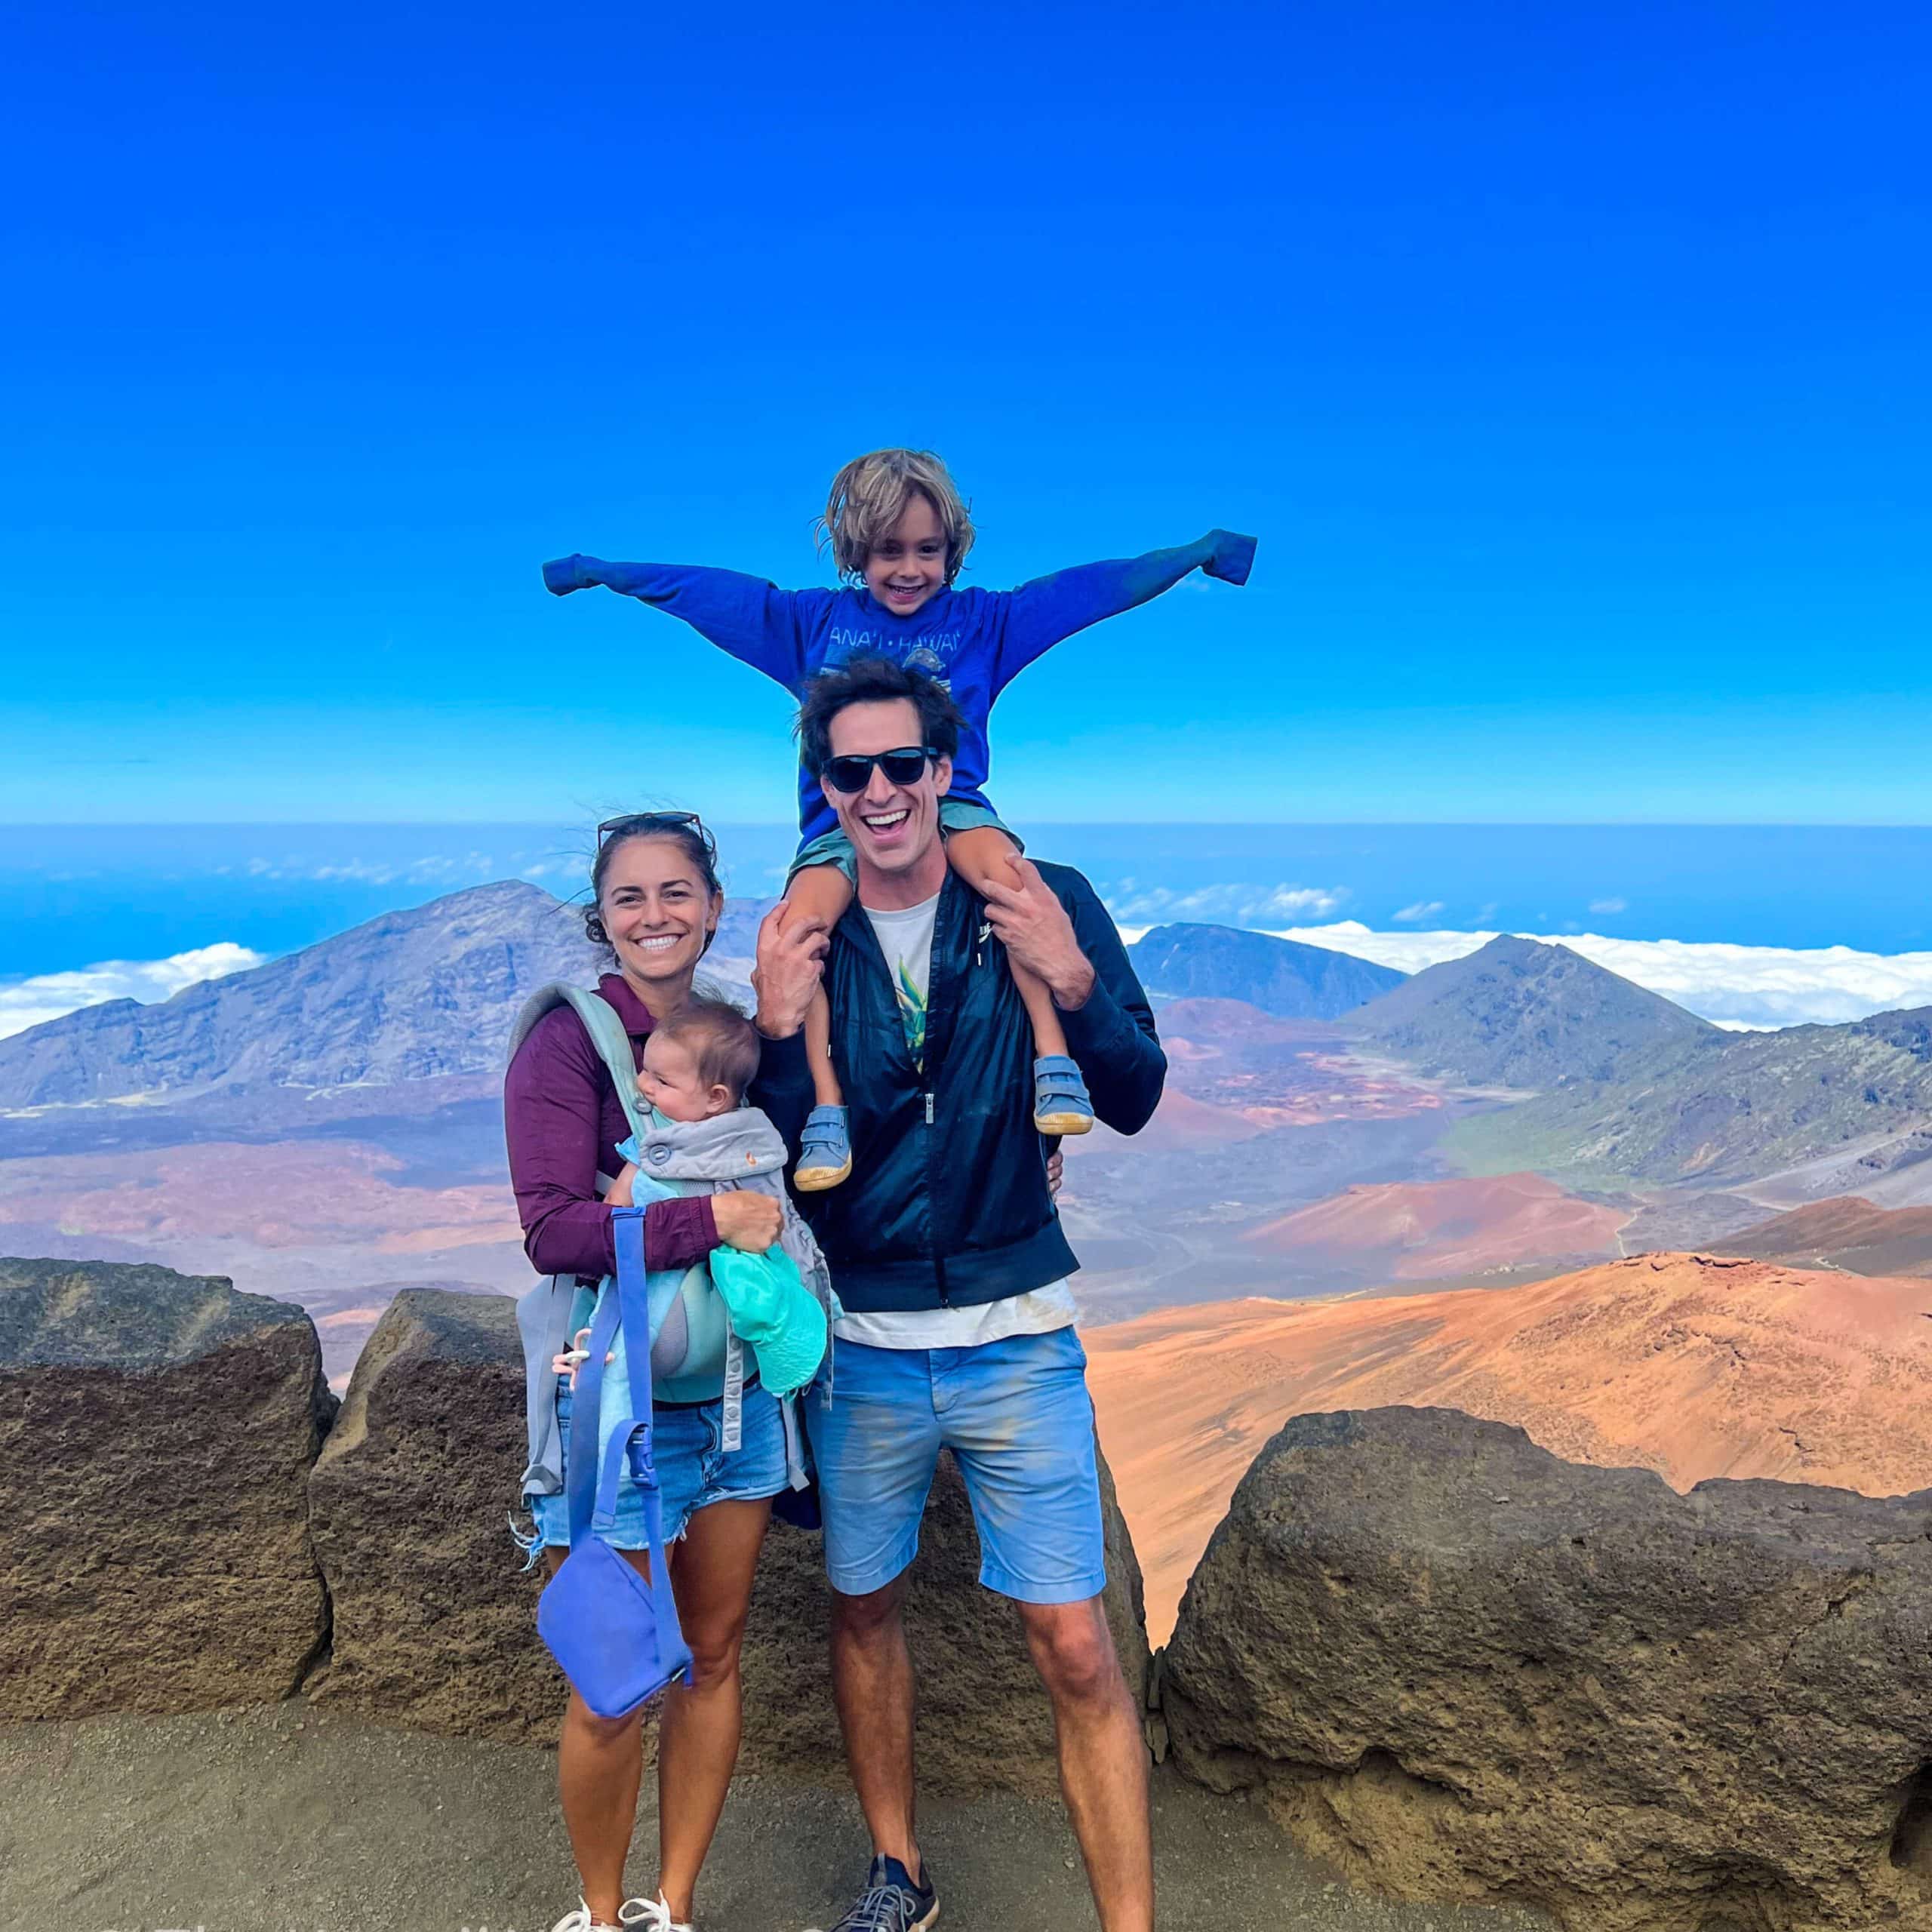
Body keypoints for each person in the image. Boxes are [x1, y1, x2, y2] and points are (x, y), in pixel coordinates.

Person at [746, 659, 1168, 1932]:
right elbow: (774, 1147)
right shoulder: (805, 931)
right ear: (824, 789)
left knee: (1079, 1647)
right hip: (860, 1345)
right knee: (862, 1609)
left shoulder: (1044, 900)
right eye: (850, 771)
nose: (881, 792)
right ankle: (899, 1871)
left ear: (946, 771)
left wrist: (1080, 986)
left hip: (1017, 1334)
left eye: (903, 766)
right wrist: (773, 1035)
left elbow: (1137, 1093)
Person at [544, 447, 1253, 1192]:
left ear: (953, 551)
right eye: (888, 551)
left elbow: (1090, 590)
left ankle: (1053, 1064)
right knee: (797, 935)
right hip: (835, 826)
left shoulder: (988, 621)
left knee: (1012, 889)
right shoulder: (807, 622)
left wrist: (1194, 555)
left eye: (927, 550)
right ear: (856, 553)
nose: (908, 569)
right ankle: (824, 1110)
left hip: (955, 810)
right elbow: (702, 591)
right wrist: (601, 571)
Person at [505, 813, 792, 1932]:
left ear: (715, 906)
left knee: (713, 1658)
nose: (656, 915)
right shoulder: (568, 1043)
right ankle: (598, 1914)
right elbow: (554, 1233)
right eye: (631, 897)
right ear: (602, 914)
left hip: (740, 1406)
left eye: (678, 893)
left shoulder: (735, 1038)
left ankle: (672, 1908)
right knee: (612, 1679)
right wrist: (709, 1219)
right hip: (617, 1400)